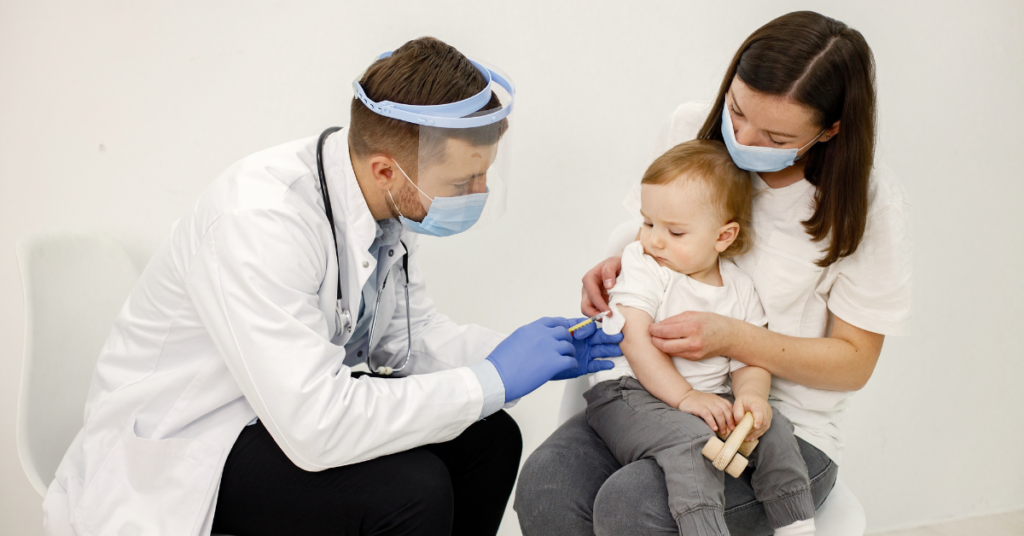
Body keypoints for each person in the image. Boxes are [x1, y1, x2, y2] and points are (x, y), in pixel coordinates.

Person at [42, 37, 621, 536]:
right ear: (387, 169)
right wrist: (493, 377)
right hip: (194, 447)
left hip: (277, 415)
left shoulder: (389, 206)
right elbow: (316, 424)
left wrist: (522, 351)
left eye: (484, 173)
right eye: (465, 178)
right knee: (410, 491)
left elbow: (402, 339)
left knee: (489, 441)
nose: (479, 190)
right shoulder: (259, 220)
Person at [516, 11, 911, 535]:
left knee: (635, 505)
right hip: (654, 394)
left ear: (830, 129)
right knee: (549, 484)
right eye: (737, 109)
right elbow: (658, 237)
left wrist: (733, 339)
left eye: (774, 135)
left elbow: (854, 364)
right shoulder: (690, 128)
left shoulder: (866, 202)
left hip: (779, 428)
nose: (743, 138)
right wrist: (622, 263)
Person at [585, 140, 816, 536]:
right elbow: (633, 338)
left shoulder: (740, 287)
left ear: (723, 237)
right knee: (694, 444)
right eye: (648, 222)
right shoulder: (644, 265)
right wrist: (687, 398)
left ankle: (795, 523)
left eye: (674, 231)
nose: (654, 239)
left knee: (771, 427)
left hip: (701, 401)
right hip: (629, 393)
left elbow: (749, 359)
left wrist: (752, 398)